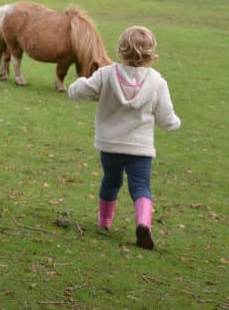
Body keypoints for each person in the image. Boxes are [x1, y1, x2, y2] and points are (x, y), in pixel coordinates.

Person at [67, 26, 181, 250]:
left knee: (111, 181)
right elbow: (166, 116)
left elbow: (82, 90)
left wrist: (76, 85)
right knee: (141, 187)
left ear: (121, 50)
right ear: (150, 52)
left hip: (110, 146)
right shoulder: (157, 82)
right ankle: (143, 223)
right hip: (140, 148)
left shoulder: (107, 74)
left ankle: (104, 222)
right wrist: (174, 124)